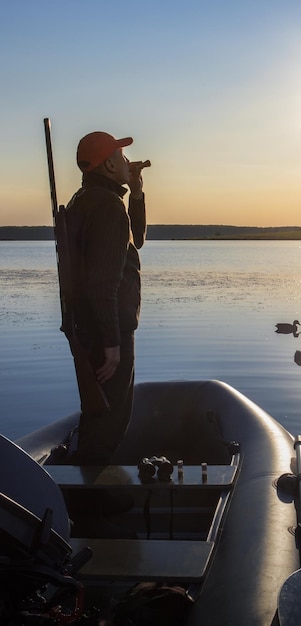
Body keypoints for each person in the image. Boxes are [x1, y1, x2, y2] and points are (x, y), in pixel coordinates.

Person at [65, 130, 148, 464]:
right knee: (109, 421)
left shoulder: (88, 200)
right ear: (108, 165)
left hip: (93, 327)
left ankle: (90, 497)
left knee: (100, 414)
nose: (127, 160)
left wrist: (137, 193)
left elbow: (136, 239)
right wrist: (112, 343)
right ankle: (92, 508)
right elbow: (102, 284)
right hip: (108, 333)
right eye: (121, 156)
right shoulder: (108, 208)